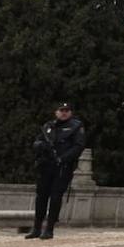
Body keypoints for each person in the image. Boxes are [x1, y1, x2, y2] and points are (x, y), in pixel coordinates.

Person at [28, 102, 85, 239]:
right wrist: (40, 145)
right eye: (61, 110)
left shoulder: (76, 126)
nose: (64, 113)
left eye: (66, 110)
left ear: (70, 112)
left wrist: (63, 159)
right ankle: (36, 228)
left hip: (62, 167)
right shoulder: (48, 126)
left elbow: (78, 146)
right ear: (56, 112)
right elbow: (36, 142)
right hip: (46, 166)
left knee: (55, 197)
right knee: (41, 197)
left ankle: (49, 229)